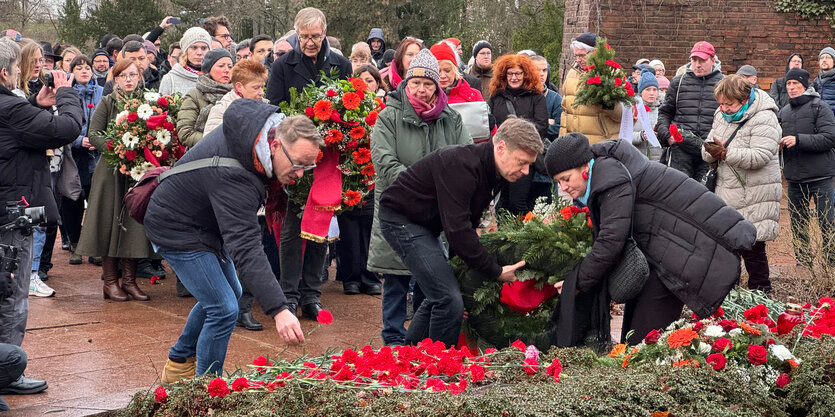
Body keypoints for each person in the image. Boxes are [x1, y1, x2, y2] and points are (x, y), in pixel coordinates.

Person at [146, 103, 315, 382]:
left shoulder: (256, 139)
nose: (299, 175)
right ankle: (206, 389)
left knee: (230, 293)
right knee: (223, 308)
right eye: (297, 165)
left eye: (308, 167)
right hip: (175, 225)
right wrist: (280, 310)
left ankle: (178, 362)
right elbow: (246, 248)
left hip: (203, 222)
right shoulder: (237, 175)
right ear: (274, 145)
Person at [545, 133, 757, 348]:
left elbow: (611, 240)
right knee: (635, 342)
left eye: (566, 178)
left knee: (645, 345)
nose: (563, 188)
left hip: (679, 260)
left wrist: (577, 283)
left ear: (585, 168)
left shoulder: (610, 177)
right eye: (558, 182)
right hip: (662, 256)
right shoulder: (609, 170)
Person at [379, 117, 540, 347]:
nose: (526, 171)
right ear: (501, 148)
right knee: (448, 299)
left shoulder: (493, 170)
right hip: (401, 219)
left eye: (529, 165)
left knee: (444, 291)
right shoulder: (461, 164)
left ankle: (411, 355)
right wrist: (495, 271)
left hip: (425, 223)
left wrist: (461, 277)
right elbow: (458, 231)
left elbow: (467, 223)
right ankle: (438, 371)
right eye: (522, 162)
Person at [368, 48, 472, 346]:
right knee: (397, 279)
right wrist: (426, 189)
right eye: (416, 83)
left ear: (438, 86)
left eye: (428, 84)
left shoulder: (450, 119)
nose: (422, 89)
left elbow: (464, 158)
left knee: (431, 279)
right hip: (398, 209)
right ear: (406, 83)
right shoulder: (389, 117)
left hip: (436, 214)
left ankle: (422, 342)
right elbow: (385, 163)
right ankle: (393, 341)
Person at [0, 36, 81, 399]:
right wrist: (66, 96)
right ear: (4, 72)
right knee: (12, 297)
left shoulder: (12, 107)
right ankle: (7, 371)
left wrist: (35, 103)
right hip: (11, 216)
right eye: (17, 69)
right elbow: (65, 129)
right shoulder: (10, 108)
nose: (21, 74)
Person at [266, 7, 352, 320]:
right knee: (292, 230)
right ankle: (287, 296)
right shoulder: (283, 65)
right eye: (303, 37)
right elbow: (274, 109)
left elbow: (347, 103)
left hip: (327, 158)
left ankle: (311, 296)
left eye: (315, 36)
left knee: (322, 229)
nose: (309, 42)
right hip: (294, 155)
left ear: (324, 33)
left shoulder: (341, 63)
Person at [76, 60, 153, 302]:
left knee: (134, 224)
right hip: (111, 170)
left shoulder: (147, 102)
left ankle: (129, 282)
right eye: (123, 76)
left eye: (133, 75)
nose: (128, 79)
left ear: (140, 76)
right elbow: (94, 134)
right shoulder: (108, 102)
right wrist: (117, 147)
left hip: (138, 170)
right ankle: (110, 282)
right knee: (109, 223)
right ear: (115, 78)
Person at [702, 74, 782, 293]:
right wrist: (710, 150)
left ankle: (760, 296)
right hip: (726, 192)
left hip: (755, 194)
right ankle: (729, 295)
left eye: (729, 104)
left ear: (744, 99)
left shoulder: (764, 117)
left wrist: (726, 153)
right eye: (721, 103)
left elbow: (760, 156)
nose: (724, 108)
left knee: (753, 249)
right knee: (726, 249)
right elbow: (707, 147)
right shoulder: (721, 115)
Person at [776, 68, 835, 268]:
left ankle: (831, 265)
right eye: (788, 84)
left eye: (795, 84)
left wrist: (799, 140)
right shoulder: (783, 111)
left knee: (827, 223)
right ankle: (803, 264)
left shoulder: (820, 107)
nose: (791, 88)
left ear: (805, 85)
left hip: (821, 177)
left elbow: (829, 138)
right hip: (794, 178)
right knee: (798, 224)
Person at [487, 53, 548, 215]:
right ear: (504, 75)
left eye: (518, 74)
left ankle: (522, 236)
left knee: (518, 202)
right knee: (502, 202)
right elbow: (489, 124)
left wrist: (517, 139)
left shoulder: (536, 97)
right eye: (510, 74)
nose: (514, 77)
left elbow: (541, 127)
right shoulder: (496, 97)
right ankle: (503, 236)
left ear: (525, 74)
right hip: (501, 155)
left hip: (522, 157)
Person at [656, 41, 723, 182]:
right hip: (681, 149)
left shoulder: (724, 84)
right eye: (694, 60)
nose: (698, 64)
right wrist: (667, 136)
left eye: (702, 60)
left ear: (713, 60)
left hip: (709, 150)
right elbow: (665, 112)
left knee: (706, 197)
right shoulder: (678, 83)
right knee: (678, 194)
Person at [63, 55, 103, 266]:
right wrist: (80, 141)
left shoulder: (102, 93)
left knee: (95, 202)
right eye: (79, 68)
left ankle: (93, 248)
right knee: (72, 201)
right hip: (73, 157)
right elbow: (61, 123)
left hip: (96, 157)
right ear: (72, 72)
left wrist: (97, 140)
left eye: (87, 67)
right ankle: (75, 245)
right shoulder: (67, 94)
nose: (84, 71)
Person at [559, 32, 624, 144]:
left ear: (595, 53)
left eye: (582, 55)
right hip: (574, 144)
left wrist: (605, 101)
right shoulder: (572, 73)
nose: (578, 60)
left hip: (601, 144)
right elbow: (565, 111)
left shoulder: (612, 74)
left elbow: (621, 115)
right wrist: (562, 139)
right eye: (576, 56)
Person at [177, 48, 233, 147]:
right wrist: (216, 142)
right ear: (208, 70)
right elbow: (185, 133)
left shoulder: (237, 94)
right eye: (221, 66)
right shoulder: (195, 95)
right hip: (202, 155)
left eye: (230, 66)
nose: (226, 70)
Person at [204, 59, 268, 134]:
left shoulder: (266, 106)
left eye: (262, 87)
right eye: (256, 88)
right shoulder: (221, 110)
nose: (261, 92)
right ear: (239, 87)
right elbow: (212, 142)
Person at [159, 27, 212, 96]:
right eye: (194, 48)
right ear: (185, 51)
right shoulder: (170, 79)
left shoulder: (216, 77)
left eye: (204, 48)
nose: (199, 52)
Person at [632, 69, 662, 161]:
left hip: (658, 162)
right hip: (637, 161)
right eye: (647, 89)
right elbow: (624, 135)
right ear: (641, 91)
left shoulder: (662, 109)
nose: (652, 93)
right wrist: (642, 136)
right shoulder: (633, 109)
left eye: (654, 89)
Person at [530, 55, 562, 140]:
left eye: (544, 70)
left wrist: (531, 124)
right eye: (537, 70)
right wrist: (546, 122)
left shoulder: (556, 98)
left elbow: (559, 128)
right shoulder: (519, 96)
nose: (541, 74)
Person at [813, 47, 835, 113]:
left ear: (834, 62)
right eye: (821, 58)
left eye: (828, 57)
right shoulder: (816, 82)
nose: (824, 60)